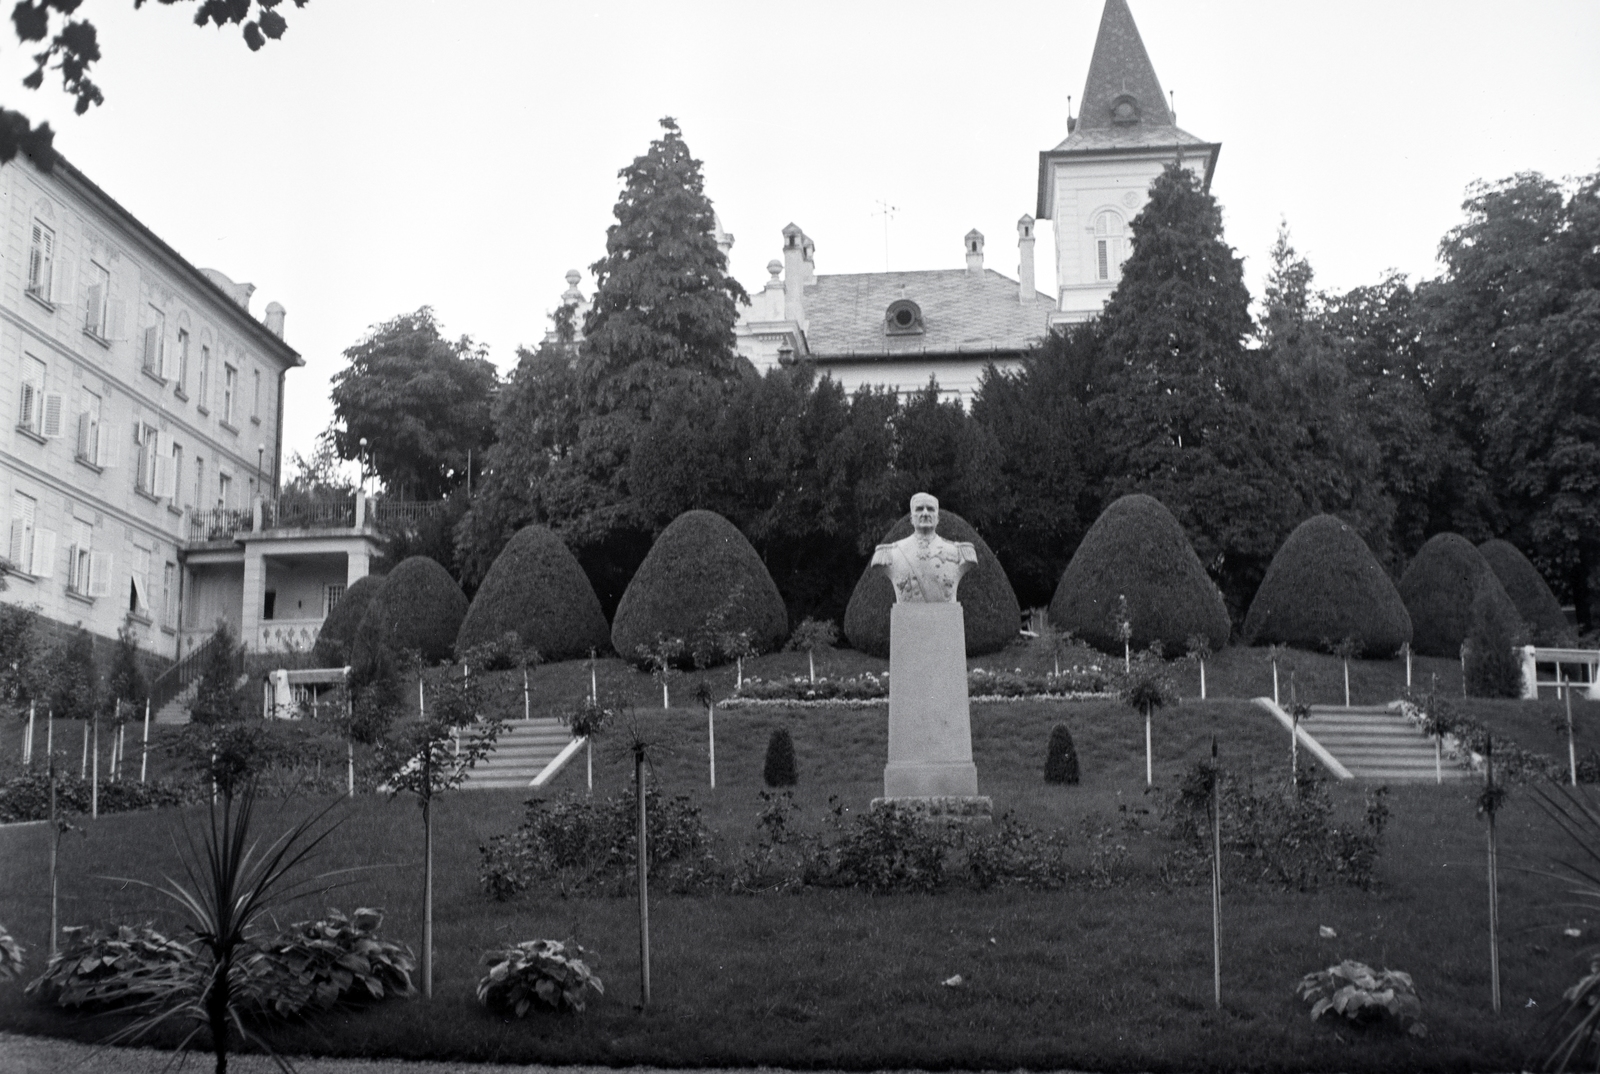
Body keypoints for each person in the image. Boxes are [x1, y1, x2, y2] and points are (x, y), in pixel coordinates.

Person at [871, 493, 977, 603]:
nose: (925, 513)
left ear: (938, 518)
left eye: (930, 509)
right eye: (919, 509)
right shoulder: (891, 553)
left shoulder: (960, 552)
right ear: (912, 519)